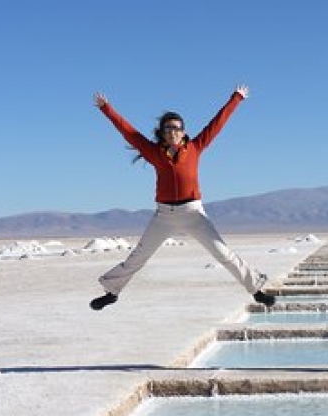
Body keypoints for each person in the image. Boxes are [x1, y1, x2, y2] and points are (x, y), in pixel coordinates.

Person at [89, 85, 275, 310]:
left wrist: (236, 98)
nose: (173, 131)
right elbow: (128, 131)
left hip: (193, 213)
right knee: (138, 257)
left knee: (223, 253)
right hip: (164, 215)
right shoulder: (153, 152)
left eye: (177, 128)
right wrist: (106, 108)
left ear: (183, 131)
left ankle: (256, 289)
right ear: (163, 133)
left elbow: (217, 124)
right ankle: (112, 291)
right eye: (168, 128)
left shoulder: (196, 147)